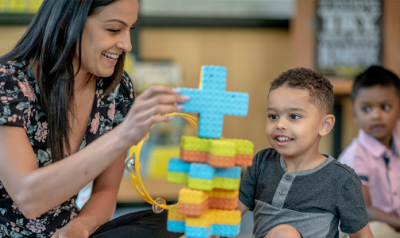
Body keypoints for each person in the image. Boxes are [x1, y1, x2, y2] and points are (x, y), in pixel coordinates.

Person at [0, 0, 188, 237]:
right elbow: (29, 198)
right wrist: (124, 134)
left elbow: (106, 191)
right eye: (113, 30)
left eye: (130, 29)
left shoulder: (116, 89)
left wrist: (80, 227)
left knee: (177, 225)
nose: (127, 45)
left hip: (65, 231)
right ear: (67, 22)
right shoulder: (8, 82)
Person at [236, 68, 373, 238]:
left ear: (324, 125)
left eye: (293, 116)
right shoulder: (261, 162)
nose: (280, 124)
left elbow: (362, 236)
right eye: (273, 116)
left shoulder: (342, 180)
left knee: (284, 234)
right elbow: (230, 214)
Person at [338, 66, 400, 238]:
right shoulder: (355, 156)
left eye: (385, 107)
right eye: (366, 109)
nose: (376, 116)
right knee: (379, 232)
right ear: (355, 114)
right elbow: (363, 210)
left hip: (392, 223)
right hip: (359, 229)